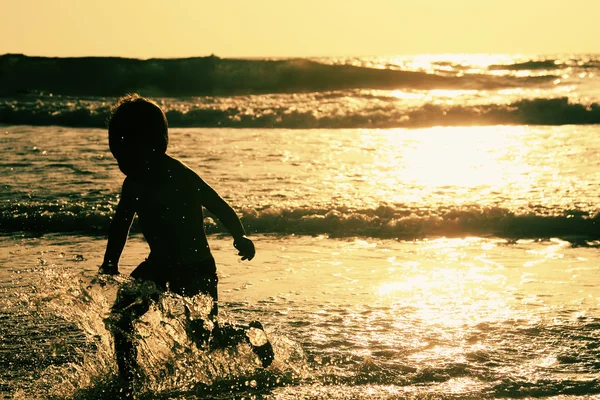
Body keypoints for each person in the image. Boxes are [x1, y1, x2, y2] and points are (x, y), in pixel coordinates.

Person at [98, 94, 274, 388]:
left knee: (203, 337)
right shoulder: (134, 184)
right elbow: (120, 226)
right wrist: (110, 262)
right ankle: (128, 381)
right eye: (116, 150)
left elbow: (216, 203)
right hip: (158, 266)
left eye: (125, 149)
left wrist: (239, 235)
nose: (120, 158)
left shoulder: (179, 176)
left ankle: (251, 334)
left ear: (154, 142)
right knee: (120, 319)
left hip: (196, 269)